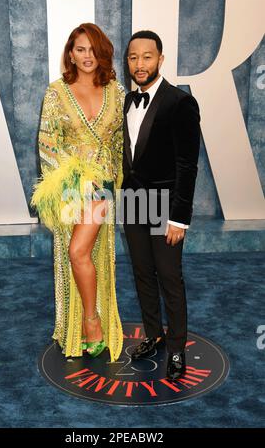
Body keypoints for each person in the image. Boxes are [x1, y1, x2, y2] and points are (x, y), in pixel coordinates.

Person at [30, 23, 124, 362]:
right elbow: (47, 142)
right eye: (81, 49)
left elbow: (121, 142)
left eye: (94, 49)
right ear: (70, 53)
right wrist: (72, 180)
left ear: (103, 53)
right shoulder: (56, 92)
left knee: (78, 251)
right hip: (70, 186)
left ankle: (92, 321)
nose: (88, 56)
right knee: (75, 254)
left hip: (105, 187)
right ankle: (74, 325)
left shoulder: (117, 91)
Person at [121, 30, 201, 380]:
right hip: (134, 201)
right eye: (133, 57)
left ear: (160, 59)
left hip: (165, 204)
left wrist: (179, 218)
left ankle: (178, 348)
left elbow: (187, 165)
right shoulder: (126, 100)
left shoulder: (179, 102)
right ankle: (153, 335)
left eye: (147, 57)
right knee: (142, 273)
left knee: (169, 276)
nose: (140, 64)